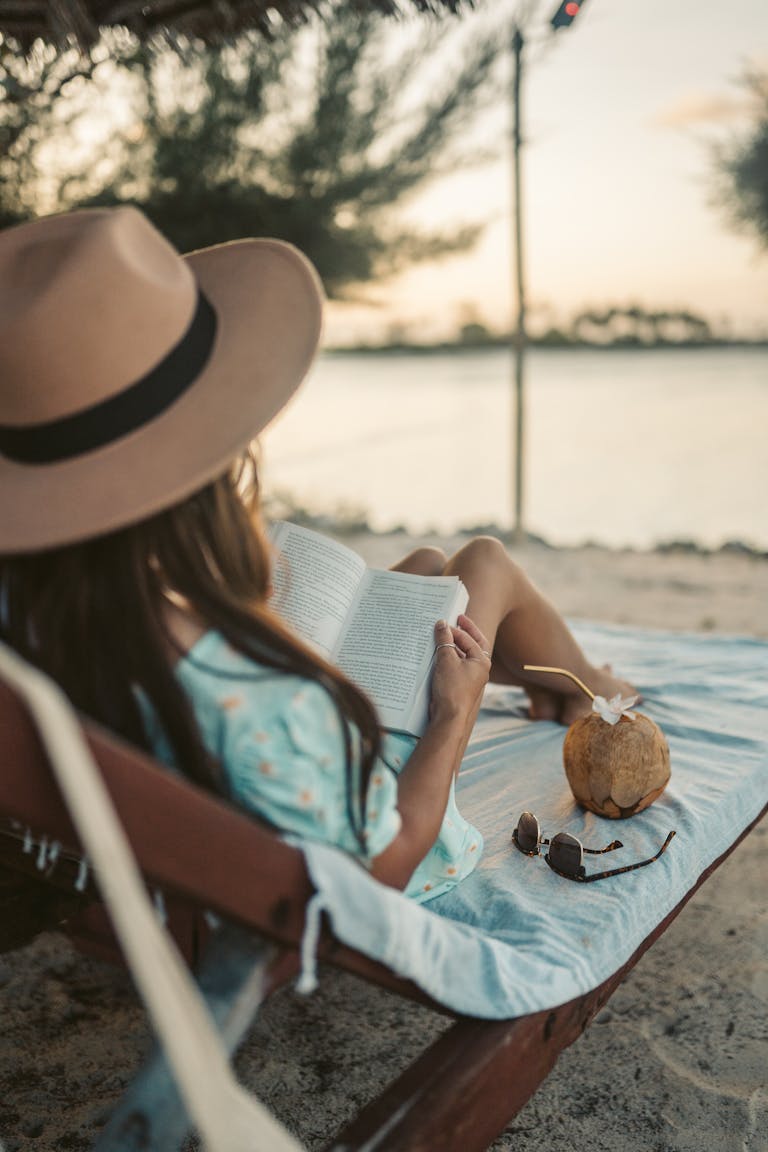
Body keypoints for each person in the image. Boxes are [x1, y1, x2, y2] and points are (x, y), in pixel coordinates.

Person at [0, 207, 635, 903]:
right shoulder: (265, 707)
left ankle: (554, 682)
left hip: (192, 811)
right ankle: (588, 688)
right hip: (380, 833)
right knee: (480, 563)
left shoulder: (34, 621)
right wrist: (457, 713)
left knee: (425, 570)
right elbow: (384, 860)